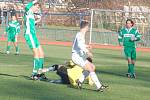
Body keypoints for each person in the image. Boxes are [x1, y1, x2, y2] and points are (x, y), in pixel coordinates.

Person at [71, 20, 108, 92]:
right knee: (90, 69)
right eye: (88, 26)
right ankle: (99, 86)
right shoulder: (80, 34)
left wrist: (87, 46)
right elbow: (79, 45)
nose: (88, 28)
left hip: (79, 56)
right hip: (76, 56)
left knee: (92, 67)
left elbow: (80, 44)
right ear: (86, 27)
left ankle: (80, 81)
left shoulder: (81, 34)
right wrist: (87, 52)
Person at [24, 0, 46, 80]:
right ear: (33, 6)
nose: (37, 9)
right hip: (29, 35)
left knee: (42, 54)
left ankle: (40, 73)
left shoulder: (32, 15)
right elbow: (26, 7)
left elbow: (31, 24)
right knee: (36, 53)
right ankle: (34, 74)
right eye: (36, 7)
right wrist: (35, 0)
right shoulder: (28, 11)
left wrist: (37, 21)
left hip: (34, 36)